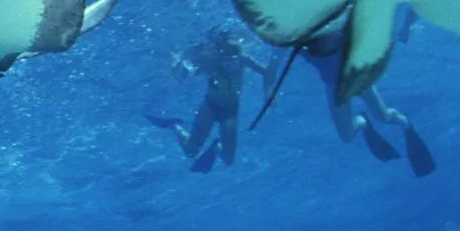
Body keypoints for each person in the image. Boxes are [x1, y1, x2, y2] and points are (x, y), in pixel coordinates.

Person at [292, 28, 435, 177]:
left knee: (383, 116)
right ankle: (362, 121)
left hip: (359, 80)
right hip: (337, 90)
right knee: (346, 136)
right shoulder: (305, 47)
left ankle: (405, 123)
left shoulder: (342, 36)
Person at [146, 27, 269, 172]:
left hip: (231, 111)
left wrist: (269, 94)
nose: (230, 64)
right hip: (210, 108)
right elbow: (185, 57)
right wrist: (179, 64)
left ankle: (216, 147)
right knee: (191, 151)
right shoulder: (209, 61)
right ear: (219, 55)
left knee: (228, 160)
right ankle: (174, 125)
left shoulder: (243, 58)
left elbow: (266, 73)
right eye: (226, 60)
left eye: (233, 60)